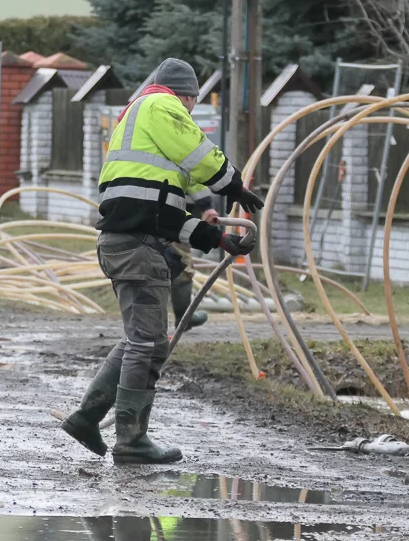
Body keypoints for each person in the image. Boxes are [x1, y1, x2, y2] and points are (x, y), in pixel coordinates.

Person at [60, 58, 264, 465]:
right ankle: (131, 440)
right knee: (149, 345)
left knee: (140, 338)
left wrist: (218, 238)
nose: (189, 115)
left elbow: (165, 216)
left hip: (128, 242)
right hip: (137, 249)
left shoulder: (137, 131)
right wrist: (234, 184)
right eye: (191, 107)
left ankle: (87, 417)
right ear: (187, 95)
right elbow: (201, 155)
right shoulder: (161, 106)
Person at [169, 182, 218, 332]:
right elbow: (193, 176)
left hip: (142, 211)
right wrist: (206, 206)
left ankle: (143, 323)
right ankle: (184, 318)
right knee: (182, 267)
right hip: (174, 214)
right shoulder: (183, 159)